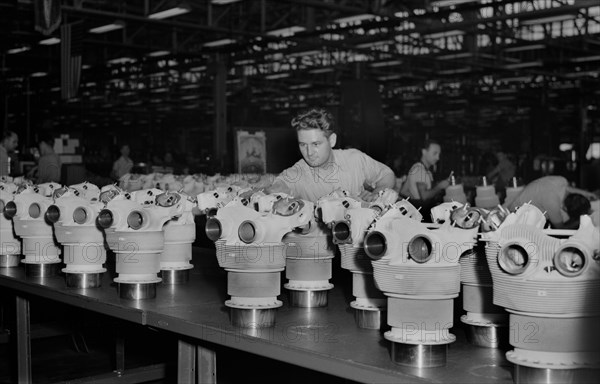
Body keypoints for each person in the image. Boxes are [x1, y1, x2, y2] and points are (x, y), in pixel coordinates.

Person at [268, 107, 396, 202]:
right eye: (303, 144)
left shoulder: (354, 159)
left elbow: (386, 174)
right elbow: (277, 187)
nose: (309, 152)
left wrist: (377, 193)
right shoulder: (296, 174)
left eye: (316, 144)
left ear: (332, 140)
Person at [504, 175, 598, 229]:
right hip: (517, 219)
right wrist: (581, 219)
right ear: (565, 208)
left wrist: (585, 193)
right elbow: (560, 229)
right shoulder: (552, 204)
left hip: (524, 202)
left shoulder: (561, 180)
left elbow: (568, 188)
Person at [400, 139, 451, 210]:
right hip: (422, 213)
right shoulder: (420, 171)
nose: (438, 158)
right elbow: (424, 197)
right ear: (424, 152)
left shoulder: (416, 167)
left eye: (439, 154)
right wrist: (440, 186)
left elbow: (403, 191)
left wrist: (415, 198)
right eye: (435, 153)